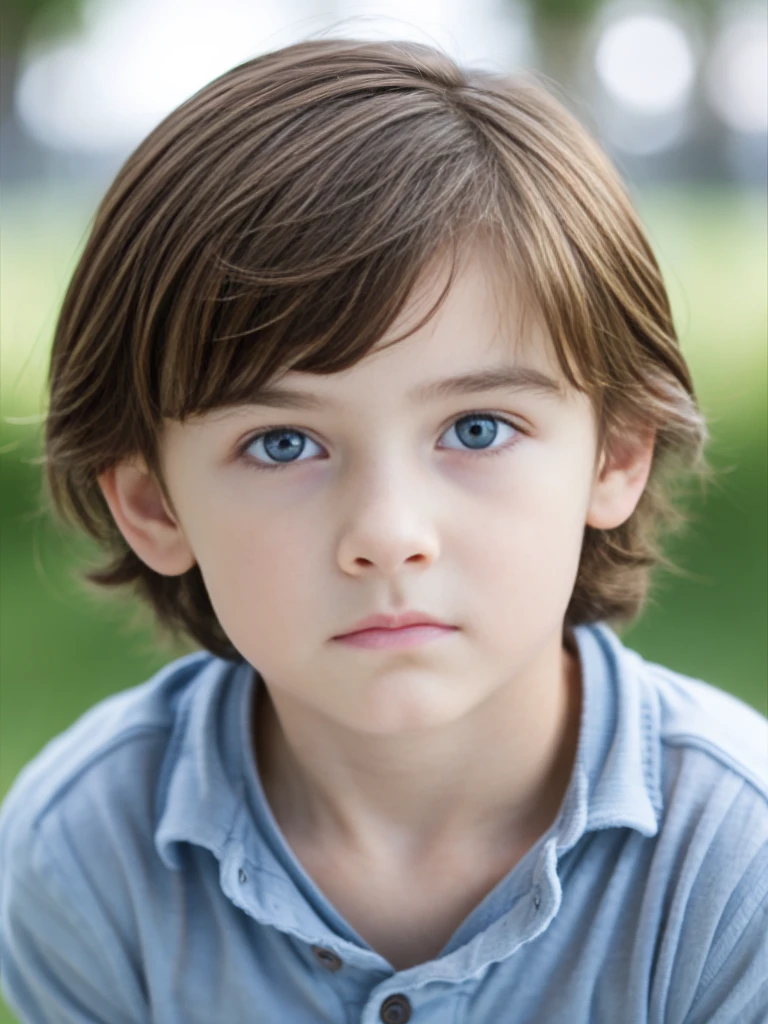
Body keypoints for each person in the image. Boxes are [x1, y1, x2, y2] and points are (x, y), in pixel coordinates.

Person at [0, 37, 765, 1024]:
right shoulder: (81, 851)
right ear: (152, 505)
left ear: (614, 455)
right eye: (283, 443)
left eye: (477, 429)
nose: (389, 533)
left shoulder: (736, 861)